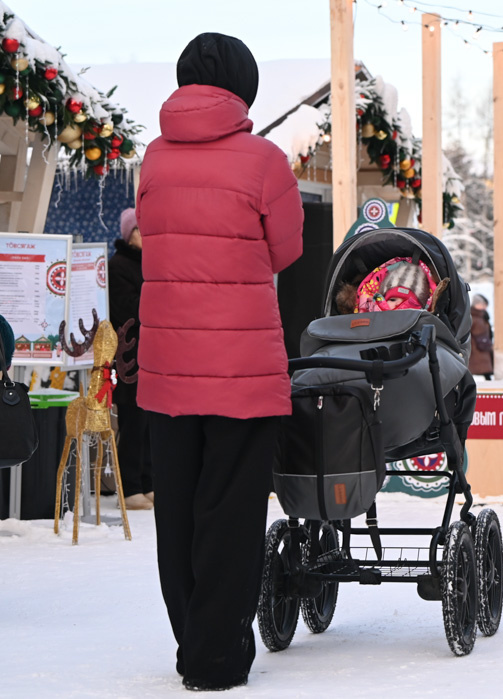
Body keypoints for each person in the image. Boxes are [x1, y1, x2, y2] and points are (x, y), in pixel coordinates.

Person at [135, 33, 303, 691]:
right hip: (243, 370)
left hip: (168, 367)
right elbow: (286, 251)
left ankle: (192, 643)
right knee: (230, 515)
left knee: (175, 510)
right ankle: (217, 655)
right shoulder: (265, 160)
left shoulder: (152, 159)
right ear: (245, 86)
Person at [108, 207, 153, 510]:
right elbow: (127, 308)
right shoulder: (119, 266)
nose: (143, 235)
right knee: (134, 422)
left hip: (154, 354)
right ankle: (130, 487)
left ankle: (149, 483)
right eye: (138, 230)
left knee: (152, 421)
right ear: (128, 234)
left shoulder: (152, 263)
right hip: (130, 356)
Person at [469, 294, 494, 380]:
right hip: (474, 347)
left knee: (485, 369)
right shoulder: (472, 316)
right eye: (483, 305)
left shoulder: (482, 316)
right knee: (472, 368)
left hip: (483, 345)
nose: (485, 307)